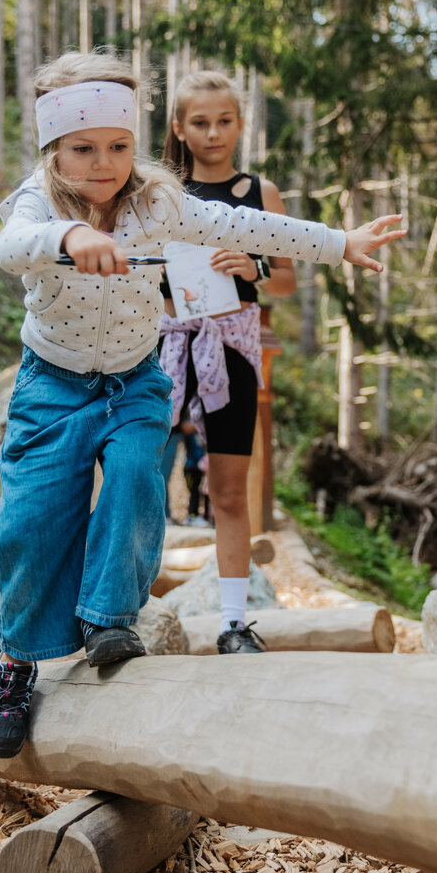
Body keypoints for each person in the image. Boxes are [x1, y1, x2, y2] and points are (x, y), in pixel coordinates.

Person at [0, 49, 403, 761]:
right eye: (83, 149)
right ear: (54, 147)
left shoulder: (157, 201)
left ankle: (110, 616)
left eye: (118, 146)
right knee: (30, 523)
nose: (103, 163)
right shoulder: (36, 202)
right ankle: (16, 661)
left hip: (137, 381)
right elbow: (12, 247)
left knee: (141, 474)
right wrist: (71, 235)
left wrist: (338, 243)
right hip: (52, 388)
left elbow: (245, 229)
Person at [159, 70, 297, 654]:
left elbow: (287, 280)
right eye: (200, 122)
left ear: (240, 124)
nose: (213, 133)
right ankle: (115, 614)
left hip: (233, 348)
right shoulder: (158, 191)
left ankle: (234, 623)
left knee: (229, 490)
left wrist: (255, 268)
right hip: (162, 347)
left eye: (224, 121)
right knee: (136, 479)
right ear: (179, 128)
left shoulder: (259, 193)